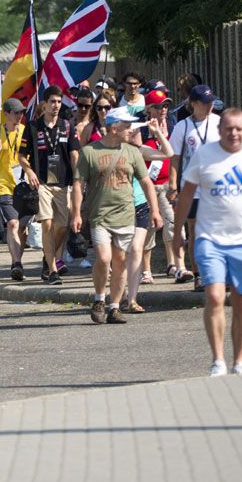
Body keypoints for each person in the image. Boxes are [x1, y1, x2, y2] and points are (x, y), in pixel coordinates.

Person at [172, 108, 242, 376]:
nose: (233, 133)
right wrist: (177, 232)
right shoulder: (205, 156)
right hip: (210, 238)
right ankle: (218, 360)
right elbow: (186, 195)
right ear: (220, 130)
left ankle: (239, 361)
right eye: (228, 128)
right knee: (215, 296)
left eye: (239, 128)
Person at [71, 107, 162, 324]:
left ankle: (114, 307)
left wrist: (155, 210)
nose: (130, 130)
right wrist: (76, 213)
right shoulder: (89, 152)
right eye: (126, 126)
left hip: (125, 215)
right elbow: (77, 184)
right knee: (104, 258)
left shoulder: (132, 152)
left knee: (120, 261)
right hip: (99, 214)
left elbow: (146, 183)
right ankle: (99, 298)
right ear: (113, 128)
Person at [19, 85, 80, 285]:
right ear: (44, 104)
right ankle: (53, 271)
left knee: (62, 226)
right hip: (42, 183)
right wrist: (29, 171)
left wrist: (79, 178)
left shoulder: (67, 126)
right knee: (47, 222)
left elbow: (74, 154)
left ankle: (47, 259)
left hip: (63, 184)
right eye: (52, 102)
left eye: (58, 102)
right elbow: (21, 155)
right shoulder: (33, 126)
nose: (55, 106)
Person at [168, 84, 221, 291]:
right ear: (193, 104)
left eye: (211, 103)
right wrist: (173, 185)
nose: (209, 106)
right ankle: (199, 274)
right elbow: (174, 158)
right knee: (195, 232)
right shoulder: (183, 126)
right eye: (205, 103)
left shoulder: (219, 122)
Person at [122, 116, 174, 313]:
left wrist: (157, 132)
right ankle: (121, 294)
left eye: (138, 131)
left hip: (140, 205)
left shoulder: (141, 151)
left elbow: (168, 153)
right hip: (120, 208)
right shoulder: (117, 151)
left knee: (135, 249)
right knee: (122, 254)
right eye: (133, 130)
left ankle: (132, 298)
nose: (137, 133)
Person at [0, 98, 31, 280]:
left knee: (23, 229)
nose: (19, 116)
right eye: (16, 112)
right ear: (6, 114)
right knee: (12, 224)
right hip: (4, 186)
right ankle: (17, 264)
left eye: (21, 112)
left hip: (24, 187)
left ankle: (16, 262)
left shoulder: (27, 133)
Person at [140, 90, 180, 282]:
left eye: (165, 105)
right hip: (146, 185)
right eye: (158, 106)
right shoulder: (141, 128)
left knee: (172, 223)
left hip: (166, 183)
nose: (163, 109)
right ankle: (146, 270)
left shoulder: (172, 125)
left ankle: (173, 264)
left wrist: (174, 182)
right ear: (149, 109)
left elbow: (174, 155)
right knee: (147, 227)